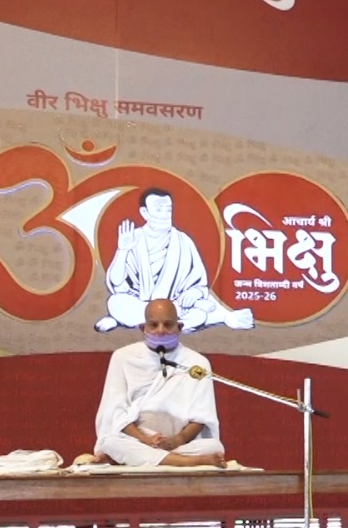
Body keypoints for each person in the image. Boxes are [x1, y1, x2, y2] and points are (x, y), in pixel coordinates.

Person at [95, 188, 254, 333]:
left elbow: (199, 283)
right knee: (116, 303)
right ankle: (171, 322)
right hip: (141, 304)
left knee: (201, 306)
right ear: (144, 212)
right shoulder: (133, 238)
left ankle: (140, 321)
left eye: (168, 209)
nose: (165, 214)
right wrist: (122, 250)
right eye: (159, 209)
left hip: (176, 303)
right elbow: (117, 284)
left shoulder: (183, 241)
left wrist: (193, 293)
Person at [94, 298, 227, 467]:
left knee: (213, 446)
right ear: (143, 328)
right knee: (111, 443)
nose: (161, 330)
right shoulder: (123, 357)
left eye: (168, 325)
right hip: (137, 440)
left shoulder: (197, 363)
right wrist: (145, 440)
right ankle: (189, 462)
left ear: (179, 327)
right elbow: (115, 411)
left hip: (179, 443)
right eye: (154, 325)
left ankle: (145, 459)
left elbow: (202, 416)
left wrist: (177, 440)